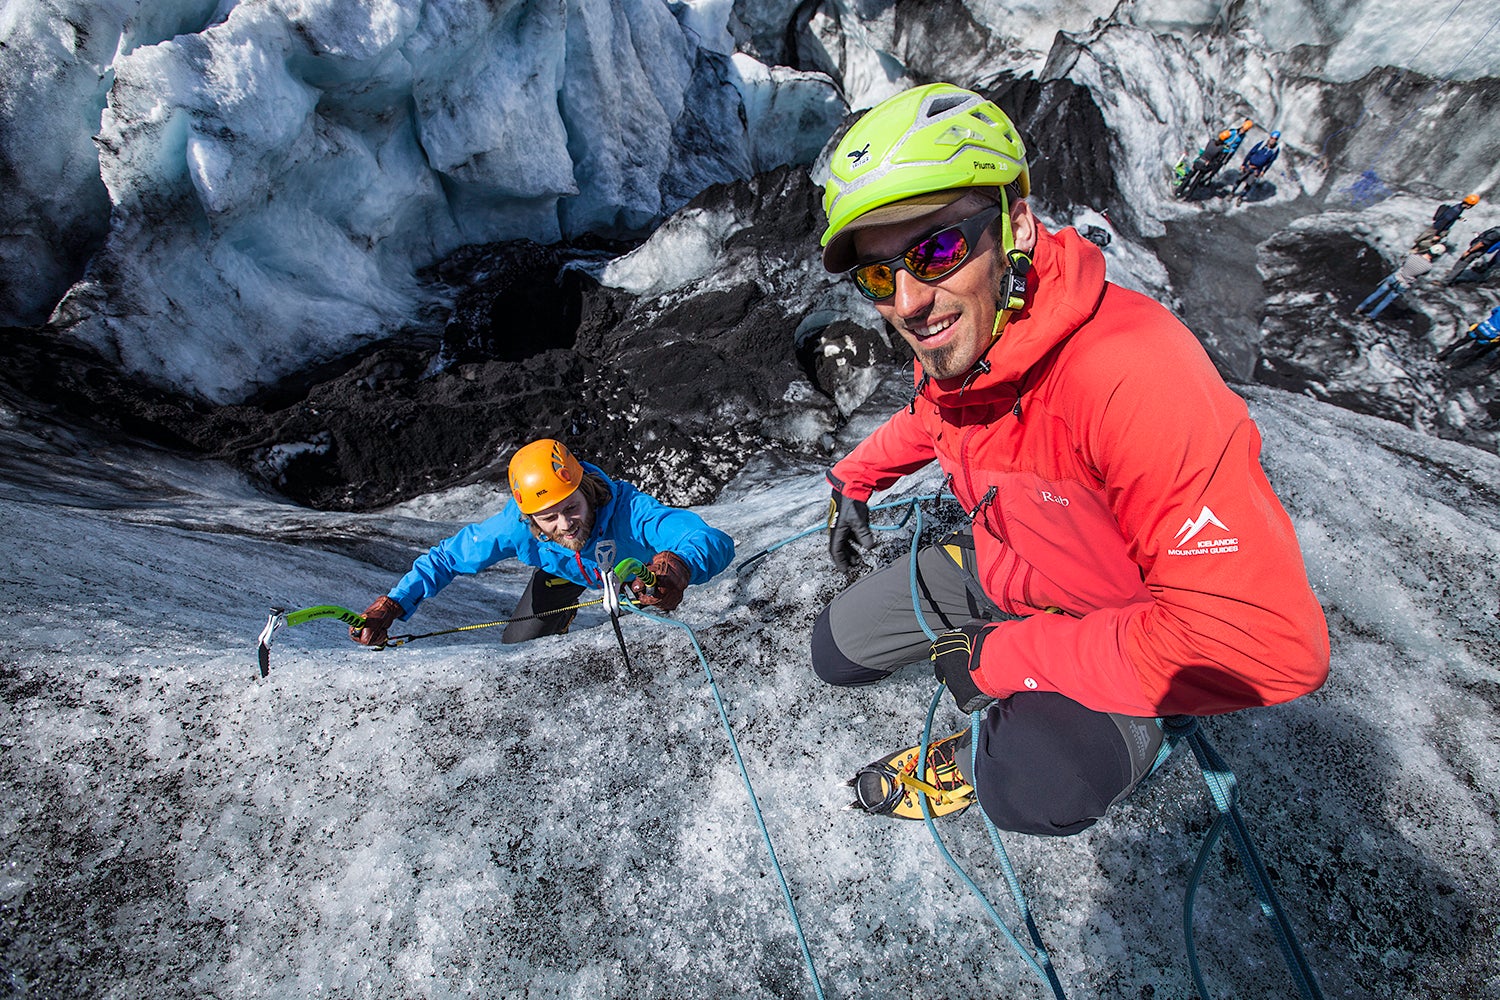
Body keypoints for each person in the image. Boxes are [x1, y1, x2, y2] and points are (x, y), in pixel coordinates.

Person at [812, 83, 1330, 835]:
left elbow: (1267, 645)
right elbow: (933, 418)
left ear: (1015, 225)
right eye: (877, 275)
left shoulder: (1131, 375)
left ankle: (1139, 735)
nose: (910, 301)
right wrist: (852, 478)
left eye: (937, 248)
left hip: (1126, 626)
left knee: (1030, 789)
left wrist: (1005, 659)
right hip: (1005, 569)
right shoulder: (973, 339)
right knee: (836, 651)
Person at [350, 438, 734, 647]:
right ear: (529, 517)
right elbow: (448, 558)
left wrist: (676, 567)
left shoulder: (628, 511)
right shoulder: (515, 528)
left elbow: (709, 538)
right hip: (566, 572)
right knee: (518, 645)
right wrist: (394, 604)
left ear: (586, 489)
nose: (566, 525)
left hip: (644, 577)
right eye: (548, 517)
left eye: (572, 507)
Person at [1355, 243, 1445, 320]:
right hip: (1404, 284)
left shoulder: (1413, 256)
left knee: (1377, 293)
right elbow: (1421, 275)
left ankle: (1360, 307)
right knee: (1386, 301)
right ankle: (1371, 316)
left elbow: (1403, 263)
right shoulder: (1429, 266)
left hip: (1395, 278)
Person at [1173, 129, 1231, 198]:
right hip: (1205, 165)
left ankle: (1179, 190)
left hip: (1199, 161)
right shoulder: (1221, 148)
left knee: (1189, 177)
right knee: (1196, 180)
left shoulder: (1211, 142)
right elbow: (1217, 160)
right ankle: (1188, 195)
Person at [1413, 194, 1480, 251]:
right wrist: (1437, 235)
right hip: (1437, 228)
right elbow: (1444, 222)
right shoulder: (1456, 211)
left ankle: (1415, 250)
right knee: (1426, 243)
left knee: (1423, 240)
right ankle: (1414, 253)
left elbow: (1449, 216)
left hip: (1437, 226)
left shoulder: (1458, 207)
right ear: (1469, 205)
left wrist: (1458, 217)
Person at [1228, 130, 1281, 198]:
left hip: (1257, 170)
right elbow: (1250, 153)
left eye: (1275, 139)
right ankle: (1232, 192)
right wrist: (1243, 164)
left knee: (1249, 184)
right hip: (1249, 165)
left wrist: (1263, 171)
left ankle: (1241, 197)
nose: (1273, 140)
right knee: (1239, 179)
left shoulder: (1275, 150)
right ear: (1270, 137)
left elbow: (1270, 162)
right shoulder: (1262, 144)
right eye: (1272, 138)